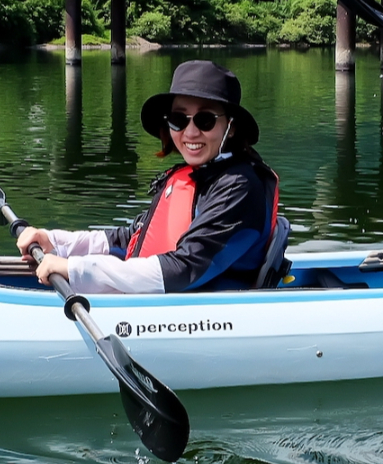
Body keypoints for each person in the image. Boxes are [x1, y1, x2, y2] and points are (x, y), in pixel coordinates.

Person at [17, 60, 279, 293]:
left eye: (205, 120)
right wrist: (54, 241)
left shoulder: (238, 187)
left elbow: (181, 270)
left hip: (203, 316)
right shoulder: (199, 176)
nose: (189, 133)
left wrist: (74, 268)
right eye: (179, 119)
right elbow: (129, 238)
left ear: (231, 128)